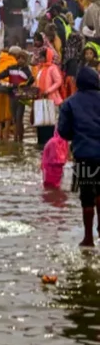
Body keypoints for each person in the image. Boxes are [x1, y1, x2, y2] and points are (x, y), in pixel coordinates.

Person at [58, 67, 100, 247]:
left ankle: (88, 238)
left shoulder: (69, 103)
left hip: (84, 156)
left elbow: (63, 131)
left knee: (87, 196)